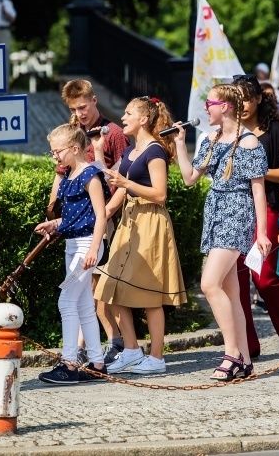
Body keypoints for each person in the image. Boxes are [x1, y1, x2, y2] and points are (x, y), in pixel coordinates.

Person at [174, 84, 270, 380]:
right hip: (216, 213)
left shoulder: (249, 142)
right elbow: (190, 178)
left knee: (209, 284)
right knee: (230, 292)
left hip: (236, 213)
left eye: (210, 103)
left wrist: (262, 232)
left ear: (225, 106)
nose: (206, 108)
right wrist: (180, 144)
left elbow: (258, 190)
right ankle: (245, 361)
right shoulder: (210, 138)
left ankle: (232, 354)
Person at [94, 96, 187, 374]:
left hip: (150, 222)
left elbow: (160, 194)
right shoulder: (131, 150)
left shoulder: (155, 151)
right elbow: (117, 186)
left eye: (128, 113)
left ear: (143, 119)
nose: (122, 118)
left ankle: (156, 358)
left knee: (149, 294)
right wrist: (102, 215)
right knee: (111, 286)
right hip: (130, 221)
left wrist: (126, 183)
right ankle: (132, 351)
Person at [56, 79, 130, 364]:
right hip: (81, 222)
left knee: (98, 286)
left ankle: (112, 343)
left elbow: (125, 178)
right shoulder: (73, 133)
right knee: (88, 289)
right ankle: (95, 349)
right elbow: (61, 174)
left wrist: (107, 212)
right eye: (74, 109)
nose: (80, 113)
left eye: (83, 107)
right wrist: (55, 210)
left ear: (94, 100)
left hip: (103, 219)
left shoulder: (112, 133)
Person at [35, 124, 110, 384]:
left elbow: (101, 215)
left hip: (87, 245)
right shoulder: (69, 175)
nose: (54, 156)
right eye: (53, 152)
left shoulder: (90, 175)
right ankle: (97, 363)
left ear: (75, 149)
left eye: (57, 151)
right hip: (74, 245)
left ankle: (68, 363)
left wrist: (94, 249)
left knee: (66, 301)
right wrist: (54, 224)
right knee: (83, 304)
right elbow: (74, 217)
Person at [231, 74, 279, 359]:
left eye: (247, 98)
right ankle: (248, 344)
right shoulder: (228, 130)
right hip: (233, 209)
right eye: (237, 99)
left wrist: (258, 171)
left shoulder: (276, 130)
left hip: (266, 206)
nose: (243, 105)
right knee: (237, 280)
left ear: (259, 98)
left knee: (264, 277)